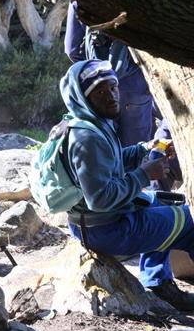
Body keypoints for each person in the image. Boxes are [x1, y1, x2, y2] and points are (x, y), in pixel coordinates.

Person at [60, 60, 194, 311]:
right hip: (107, 229)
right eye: (100, 91)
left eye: (113, 87)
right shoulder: (86, 138)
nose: (111, 96)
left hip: (99, 221)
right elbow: (99, 199)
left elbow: (111, 161)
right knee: (191, 221)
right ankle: (159, 283)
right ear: (84, 97)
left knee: (165, 202)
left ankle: (158, 284)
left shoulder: (91, 123)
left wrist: (146, 149)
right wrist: (143, 176)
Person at [65, 1, 154, 146]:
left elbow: (72, 49)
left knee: (103, 144)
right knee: (138, 148)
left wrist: (94, 71)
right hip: (135, 87)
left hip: (98, 90)